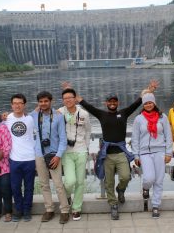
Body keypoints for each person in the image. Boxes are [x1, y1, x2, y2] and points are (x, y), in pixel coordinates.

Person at [67, 80, 158, 220]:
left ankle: (120, 190)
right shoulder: (101, 114)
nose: (112, 103)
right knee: (108, 182)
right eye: (110, 101)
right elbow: (84, 103)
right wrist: (71, 92)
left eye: (115, 101)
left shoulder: (124, 113)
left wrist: (149, 90)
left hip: (121, 152)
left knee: (126, 176)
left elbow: (139, 101)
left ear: (118, 103)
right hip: (107, 154)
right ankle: (113, 205)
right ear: (106, 103)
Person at [131, 93, 173, 219]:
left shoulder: (162, 117)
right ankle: (145, 188)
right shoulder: (139, 119)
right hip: (144, 152)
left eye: (150, 102)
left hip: (160, 151)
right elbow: (135, 138)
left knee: (159, 180)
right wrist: (136, 155)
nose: (148, 105)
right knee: (149, 178)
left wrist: (169, 152)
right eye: (146, 103)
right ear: (143, 105)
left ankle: (155, 206)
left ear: (154, 103)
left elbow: (168, 135)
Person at [30, 91, 69, 224]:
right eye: (40, 101)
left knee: (58, 184)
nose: (43, 104)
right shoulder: (34, 115)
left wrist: (58, 156)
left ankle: (64, 210)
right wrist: (3, 117)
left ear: (50, 101)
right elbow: (18, 118)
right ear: (38, 103)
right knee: (43, 184)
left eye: (46, 101)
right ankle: (49, 209)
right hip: (39, 154)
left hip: (53, 155)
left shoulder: (58, 116)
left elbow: (63, 139)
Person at [58, 88, 91, 221]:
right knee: (69, 181)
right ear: (63, 100)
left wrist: (87, 147)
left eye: (70, 97)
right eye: (65, 98)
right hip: (66, 151)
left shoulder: (83, 113)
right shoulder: (59, 112)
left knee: (80, 181)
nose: (68, 100)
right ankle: (67, 195)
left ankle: (76, 208)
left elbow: (88, 131)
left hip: (81, 150)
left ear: (75, 98)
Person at [4, 94, 36, 222]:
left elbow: (42, 110)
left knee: (29, 186)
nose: (17, 105)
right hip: (14, 159)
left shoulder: (30, 118)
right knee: (15, 187)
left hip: (30, 158)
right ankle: (18, 209)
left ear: (24, 105)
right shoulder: (6, 119)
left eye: (20, 103)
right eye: (15, 103)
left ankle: (27, 210)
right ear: (11, 105)